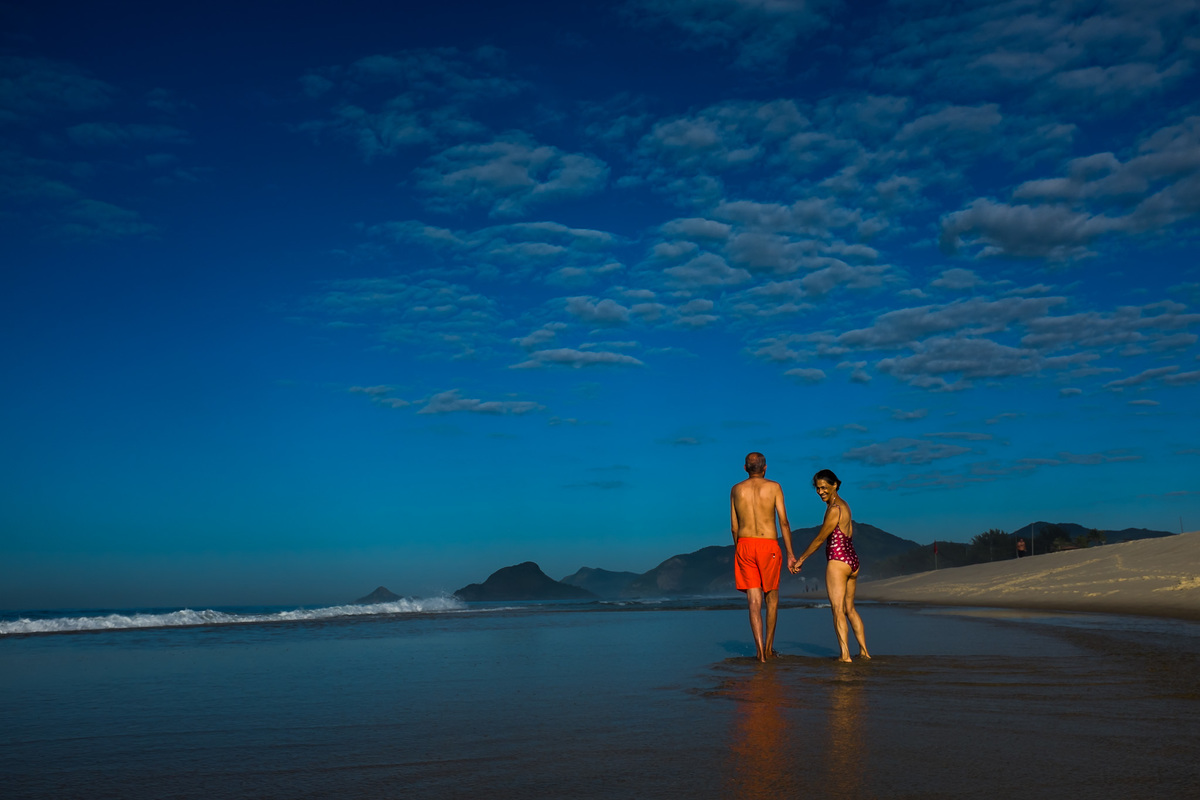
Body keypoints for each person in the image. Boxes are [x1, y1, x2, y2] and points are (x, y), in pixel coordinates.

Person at [791, 469, 870, 663]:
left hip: (838, 561)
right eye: (818, 488)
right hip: (853, 561)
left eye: (824, 487)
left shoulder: (834, 509)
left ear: (835, 485)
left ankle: (845, 656)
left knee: (837, 610)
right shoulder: (845, 505)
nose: (820, 492)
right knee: (850, 609)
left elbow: (820, 539)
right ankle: (864, 652)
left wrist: (801, 560)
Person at [730, 452, 796, 662]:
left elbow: (734, 527)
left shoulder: (736, 490)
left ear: (745, 468)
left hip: (744, 544)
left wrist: (739, 550)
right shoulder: (774, 487)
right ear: (765, 468)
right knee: (772, 599)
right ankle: (768, 649)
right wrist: (790, 554)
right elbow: (783, 522)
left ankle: (759, 653)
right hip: (768, 545)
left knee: (753, 601)